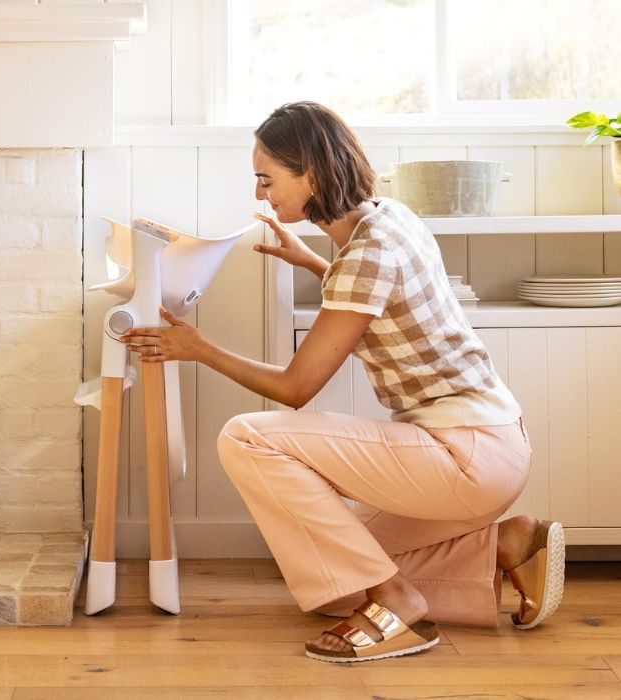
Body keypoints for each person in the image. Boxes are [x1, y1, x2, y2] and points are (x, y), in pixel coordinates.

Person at [120, 101, 565, 664]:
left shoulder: (364, 257)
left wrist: (198, 349)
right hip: (490, 443)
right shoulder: (391, 216)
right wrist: (315, 263)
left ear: (312, 171)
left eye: (267, 178)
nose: (261, 194)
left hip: (465, 456)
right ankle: (506, 546)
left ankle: (395, 600)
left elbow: (295, 389)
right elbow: (386, 293)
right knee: (338, 580)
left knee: (246, 436)